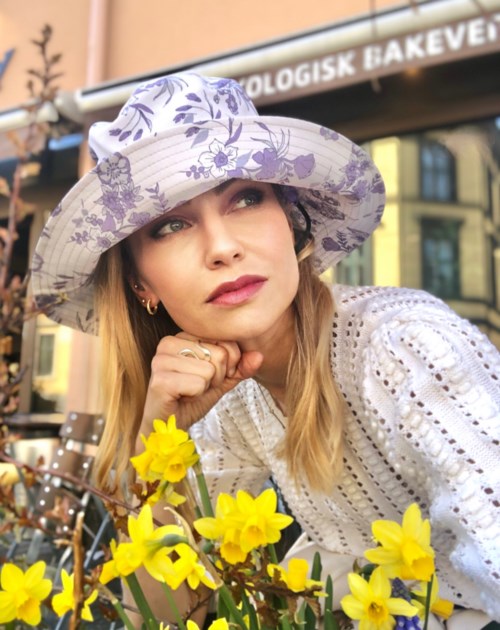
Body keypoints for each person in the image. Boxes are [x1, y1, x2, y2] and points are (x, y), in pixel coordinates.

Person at [31, 72, 500, 628]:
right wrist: (156, 440)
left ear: (292, 222)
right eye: (171, 225)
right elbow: (165, 612)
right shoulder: (227, 400)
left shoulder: (406, 346)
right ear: (140, 284)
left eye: (246, 199)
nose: (223, 247)